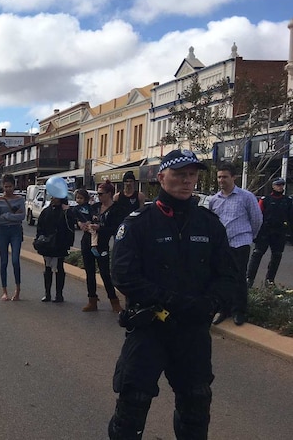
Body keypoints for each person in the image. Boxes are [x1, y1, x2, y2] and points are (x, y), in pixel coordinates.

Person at [108, 148, 238, 439]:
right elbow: (123, 275)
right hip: (150, 327)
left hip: (192, 332)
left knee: (196, 406)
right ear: (161, 177)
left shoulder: (209, 223)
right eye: (180, 175)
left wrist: (212, 302)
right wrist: (170, 300)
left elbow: (229, 276)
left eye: (192, 175)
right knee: (132, 407)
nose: (187, 181)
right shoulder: (139, 222)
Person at [207, 161, 262, 326]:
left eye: (224, 177)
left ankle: (239, 311)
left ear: (234, 177)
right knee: (222, 278)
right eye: (219, 177)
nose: (221, 180)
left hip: (240, 243)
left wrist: (249, 236)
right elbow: (212, 223)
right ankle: (223, 309)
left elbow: (257, 220)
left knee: (238, 278)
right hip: (221, 246)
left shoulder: (246, 197)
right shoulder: (213, 200)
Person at [79, 182, 125, 313]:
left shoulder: (116, 209)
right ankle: (92, 300)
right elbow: (81, 216)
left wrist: (100, 228)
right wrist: (82, 223)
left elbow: (116, 228)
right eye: (97, 194)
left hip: (102, 244)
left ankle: (114, 300)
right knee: (89, 272)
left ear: (109, 194)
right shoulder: (95, 207)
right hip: (87, 241)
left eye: (101, 194)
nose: (98, 196)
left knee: (105, 273)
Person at [245, 177, 292, 289]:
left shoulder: (288, 201)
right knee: (257, 255)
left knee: (276, 257)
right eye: (278, 185)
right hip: (265, 232)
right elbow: (257, 216)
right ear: (273, 186)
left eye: (282, 185)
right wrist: (255, 233)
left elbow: (291, 218)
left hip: (279, 233)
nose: (280, 187)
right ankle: (249, 279)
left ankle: (270, 281)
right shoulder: (265, 200)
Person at [34, 176, 75, 303]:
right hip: (47, 244)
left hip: (59, 244)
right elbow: (40, 226)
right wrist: (40, 240)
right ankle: (47, 293)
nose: (53, 198)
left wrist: (67, 243)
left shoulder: (66, 212)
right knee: (47, 269)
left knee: (59, 269)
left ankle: (59, 294)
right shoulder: (46, 211)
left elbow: (70, 228)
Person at [0, 175, 25, 301]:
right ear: (2, 186)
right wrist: (10, 215)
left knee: (15, 260)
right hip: (2, 232)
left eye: (10, 186)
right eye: (5, 186)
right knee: (4, 262)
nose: (8, 189)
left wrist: (5, 216)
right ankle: (4, 291)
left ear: (14, 186)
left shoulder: (20, 199)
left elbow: (22, 216)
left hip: (16, 231)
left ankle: (17, 289)